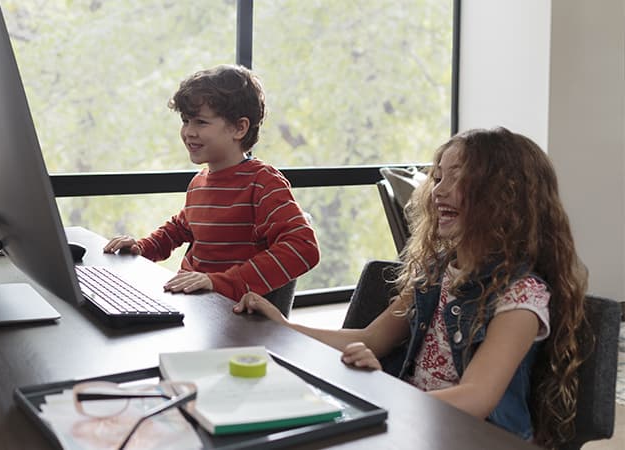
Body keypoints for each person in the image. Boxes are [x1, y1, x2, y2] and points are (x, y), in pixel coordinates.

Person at [234, 127, 589, 447]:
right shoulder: (438, 272)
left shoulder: (521, 296)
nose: (440, 191)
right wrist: (285, 326)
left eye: (460, 178)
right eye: (437, 178)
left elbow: (477, 399)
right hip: (417, 422)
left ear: (505, 198)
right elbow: (372, 339)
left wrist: (383, 396)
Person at [103, 64, 320, 315]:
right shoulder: (199, 182)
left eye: (201, 122)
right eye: (185, 121)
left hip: (228, 316)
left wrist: (221, 283)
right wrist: (141, 248)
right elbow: (179, 228)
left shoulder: (263, 183)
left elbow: (303, 247)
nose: (188, 132)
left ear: (239, 128)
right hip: (192, 306)